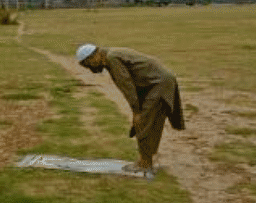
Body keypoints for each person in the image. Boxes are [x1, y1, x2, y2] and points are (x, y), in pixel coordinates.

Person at [75, 43, 185, 172]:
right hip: (159, 82)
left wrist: (136, 112)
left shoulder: (112, 58)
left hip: (158, 84)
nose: (90, 68)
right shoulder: (112, 53)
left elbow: (127, 86)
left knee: (143, 122)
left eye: (88, 64)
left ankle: (145, 164)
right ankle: (145, 159)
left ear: (93, 57)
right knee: (151, 122)